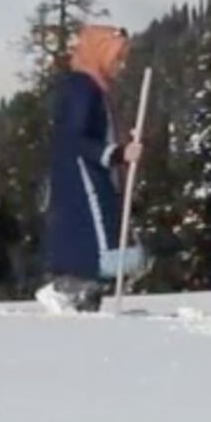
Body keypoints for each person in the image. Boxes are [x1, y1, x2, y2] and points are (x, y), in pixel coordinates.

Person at [36, 24, 146, 313]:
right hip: (83, 179)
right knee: (92, 239)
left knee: (101, 240)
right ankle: (67, 290)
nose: (121, 66)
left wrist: (122, 147)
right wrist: (118, 153)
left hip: (92, 174)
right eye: (117, 58)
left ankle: (83, 296)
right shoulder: (82, 88)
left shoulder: (94, 88)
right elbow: (75, 138)